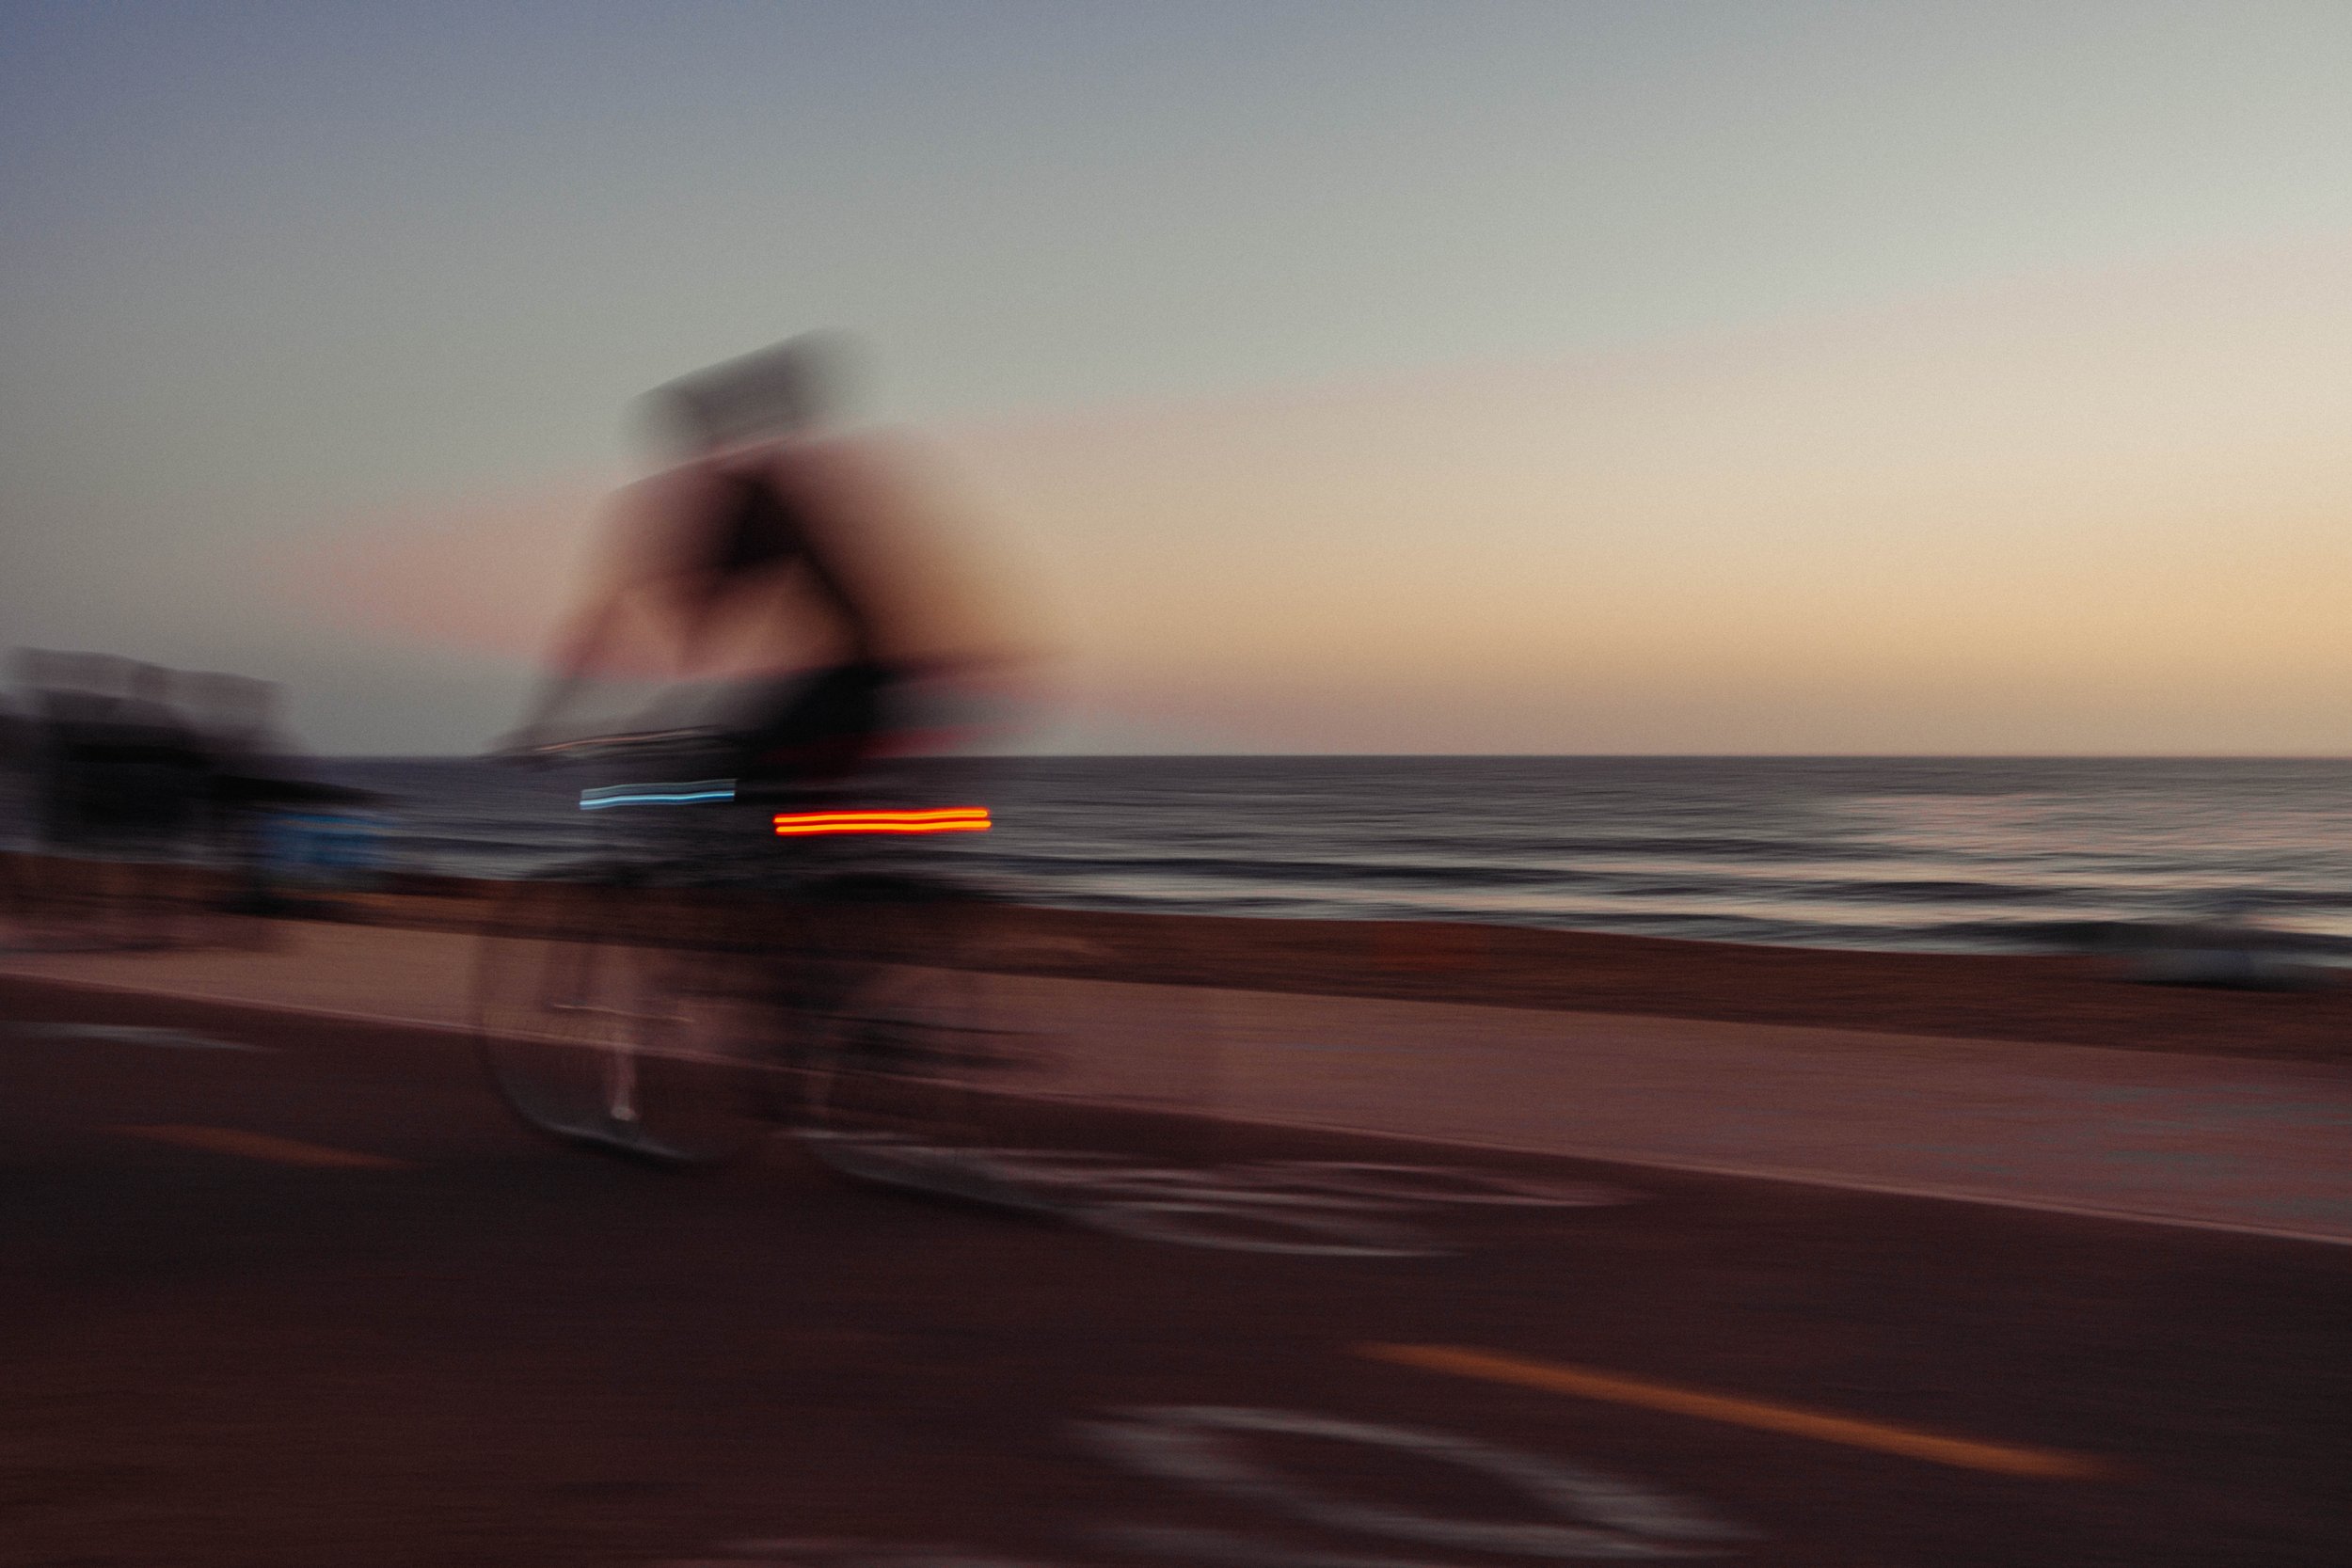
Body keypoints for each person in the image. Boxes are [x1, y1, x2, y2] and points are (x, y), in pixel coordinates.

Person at [505, 335, 993, 788]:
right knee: (748, 780)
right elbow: (699, 612)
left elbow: (697, 615)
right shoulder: (769, 491)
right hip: (865, 673)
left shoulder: (757, 498)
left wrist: (551, 723)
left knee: (735, 791)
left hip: (858, 675)